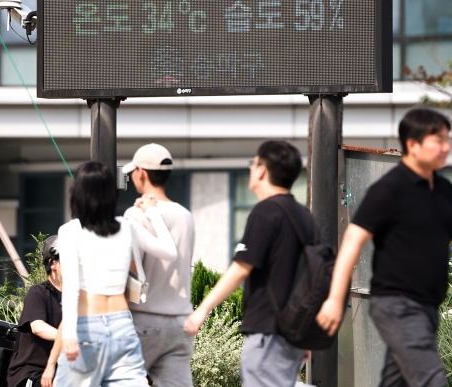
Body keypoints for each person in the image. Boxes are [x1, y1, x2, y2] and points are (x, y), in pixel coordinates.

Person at [316, 108, 452, 387]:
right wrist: (334, 298)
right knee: (430, 379)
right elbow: (352, 240)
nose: (446, 147)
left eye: (447, 139)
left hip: (425, 307)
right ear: (412, 145)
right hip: (396, 304)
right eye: (438, 140)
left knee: (397, 380)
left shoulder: (445, 191)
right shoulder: (389, 189)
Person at [184, 141, 314, 387]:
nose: (252, 169)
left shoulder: (265, 213)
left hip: (269, 331)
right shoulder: (303, 216)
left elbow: (241, 268)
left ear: (262, 170)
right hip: (295, 332)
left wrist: (203, 309)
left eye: (253, 163)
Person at [49, 161, 178, 387]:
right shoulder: (127, 226)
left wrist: (69, 333)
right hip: (122, 326)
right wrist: (153, 213)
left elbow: (70, 289)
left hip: (87, 326)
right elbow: (170, 252)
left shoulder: (70, 231)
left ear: (78, 194)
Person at [122, 143, 196, 387]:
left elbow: (131, 270)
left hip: (145, 319)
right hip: (180, 321)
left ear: (141, 172)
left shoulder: (136, 214)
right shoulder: (186, 215)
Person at [7, 236, 63, 387]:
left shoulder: (75, 298)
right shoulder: (38, 292)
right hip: (31, 372)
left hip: (61, 371)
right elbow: (38, 327)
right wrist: (70, 339)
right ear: (53, 263)